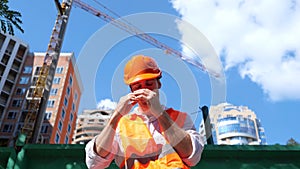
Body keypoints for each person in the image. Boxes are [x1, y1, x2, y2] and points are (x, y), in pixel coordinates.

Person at [85, 55, 204, 169]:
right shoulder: (122, 125)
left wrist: (160, 113)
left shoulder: (180, 118)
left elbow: (192, 157)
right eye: (137, 87)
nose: (144, 90)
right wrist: (116, 116)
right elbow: (95, 163)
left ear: (159, 84)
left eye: (149, 84)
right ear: (131, 90)